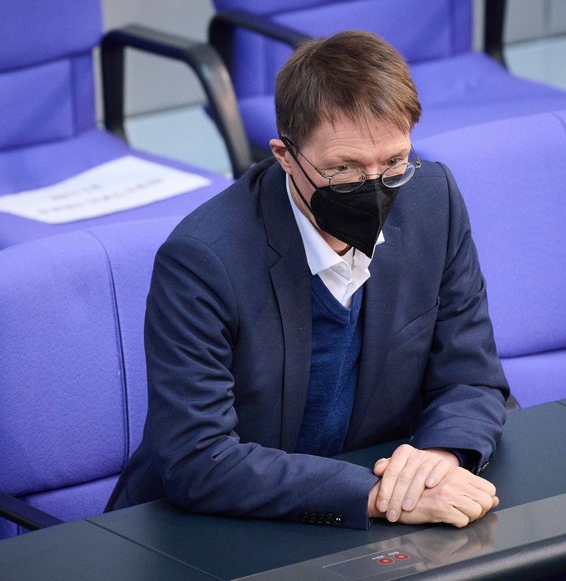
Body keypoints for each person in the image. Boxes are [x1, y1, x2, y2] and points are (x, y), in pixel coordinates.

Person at [106, 30, 509, 530]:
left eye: (394, 163)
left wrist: (440, 458)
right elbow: (199, 460)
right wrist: (378, 494)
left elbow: (472, 376)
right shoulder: (202, 261)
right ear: (284, 156)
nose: (376, 188)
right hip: (217, 527)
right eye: (345, 169)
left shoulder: (433, 200)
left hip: (374, 526)